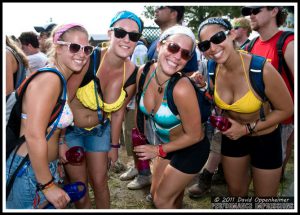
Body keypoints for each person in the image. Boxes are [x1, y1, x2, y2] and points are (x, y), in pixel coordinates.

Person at [197, 17, 293, 197]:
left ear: (232, 34)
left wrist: (247, 128)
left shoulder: (260, 69)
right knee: (235, 193)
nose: (213, 48)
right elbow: (218, 103)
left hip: (265, 138)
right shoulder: (212, 68)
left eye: (218, 38)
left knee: (265, 199)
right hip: (233, 138)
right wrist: (204, 90)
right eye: (204, 45)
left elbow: (287, 109)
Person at [59, 11, 142, 209]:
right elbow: (64, 103)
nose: (126, 39)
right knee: (80, 188)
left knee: (100, 184)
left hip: (99, 132)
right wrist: (60, 140)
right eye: (121, 32)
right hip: (71, 132)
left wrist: (114, 146)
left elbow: (118, 112)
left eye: (134, 36)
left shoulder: (132, 73)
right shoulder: (87, 58)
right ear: (109, 33)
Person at [6, 23, 92, 209]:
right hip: (28, 170)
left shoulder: (60, 77)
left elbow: (54, 119)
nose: (82, 54)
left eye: (87, 49)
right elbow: (34, 135)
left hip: (42, 167)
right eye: (75, 47)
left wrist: (60, 144)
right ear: (58, 47)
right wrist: (47, 185)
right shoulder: (50, 79)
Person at [133, 25, 210, 208]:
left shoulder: (181, 88)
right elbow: (139, 105)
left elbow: (196, 135)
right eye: (173, 47)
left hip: (192, 149)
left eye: (185, 54)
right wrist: (140, 136)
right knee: (157, 195)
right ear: (160, 45)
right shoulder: (143, 72)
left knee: (161, 200)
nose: (177, 56)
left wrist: (157, 150)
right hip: (166, 146)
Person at [241, 6, 294, 180]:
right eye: (248, 12)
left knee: (270, 174)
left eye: (256, 10)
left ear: (274, 11)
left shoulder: (288, 42)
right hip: (254, 118)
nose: (251, 15)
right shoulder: (251, 44)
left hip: (280, 121)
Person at [119, 36, 151, 190]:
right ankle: (137, 167)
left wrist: (127, 101)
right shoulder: (135, 49)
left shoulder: (139, 49)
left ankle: (143, 171)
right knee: (131, 135)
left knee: (135, 135)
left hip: (134, 103)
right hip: (131, 102)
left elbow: (138, 79)